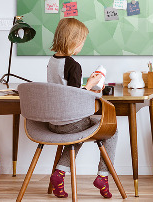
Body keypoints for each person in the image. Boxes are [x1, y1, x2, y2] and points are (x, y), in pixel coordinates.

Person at [47, 18, 117, 199]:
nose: (82, 45)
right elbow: (75, 97)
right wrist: (91, 84)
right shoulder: (73, 65)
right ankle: (103, 176)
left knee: (77, 133)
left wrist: (86, 86)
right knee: (112, 130)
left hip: (53, 122)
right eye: (82, 41)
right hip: (70, 122)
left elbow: (64, 91)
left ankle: (59, 174)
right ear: (73, 41)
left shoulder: (52, 61)